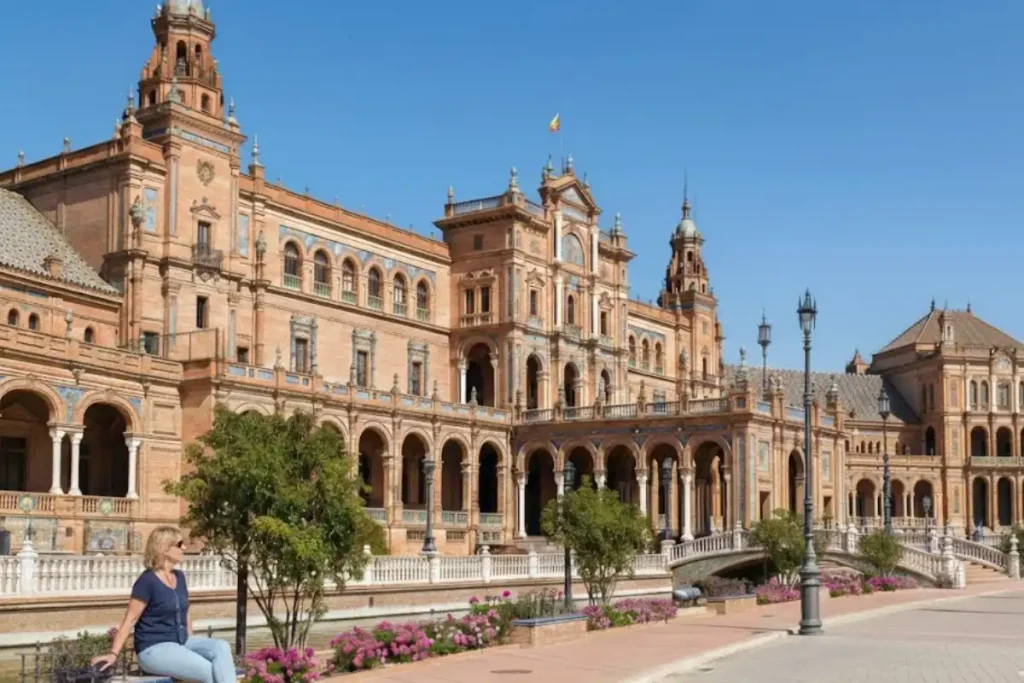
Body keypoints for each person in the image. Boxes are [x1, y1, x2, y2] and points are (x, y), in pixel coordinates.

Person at [91, 526, 235, 683]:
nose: (184, 548)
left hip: (182, 641)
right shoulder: (147, 581)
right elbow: (130, 619)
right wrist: (113, 653)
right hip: (154, 649)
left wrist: (190, 639)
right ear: (164, 548)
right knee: (207, 670)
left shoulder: (179, 577)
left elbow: (185, 611)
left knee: (221, 646)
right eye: (180, 544)